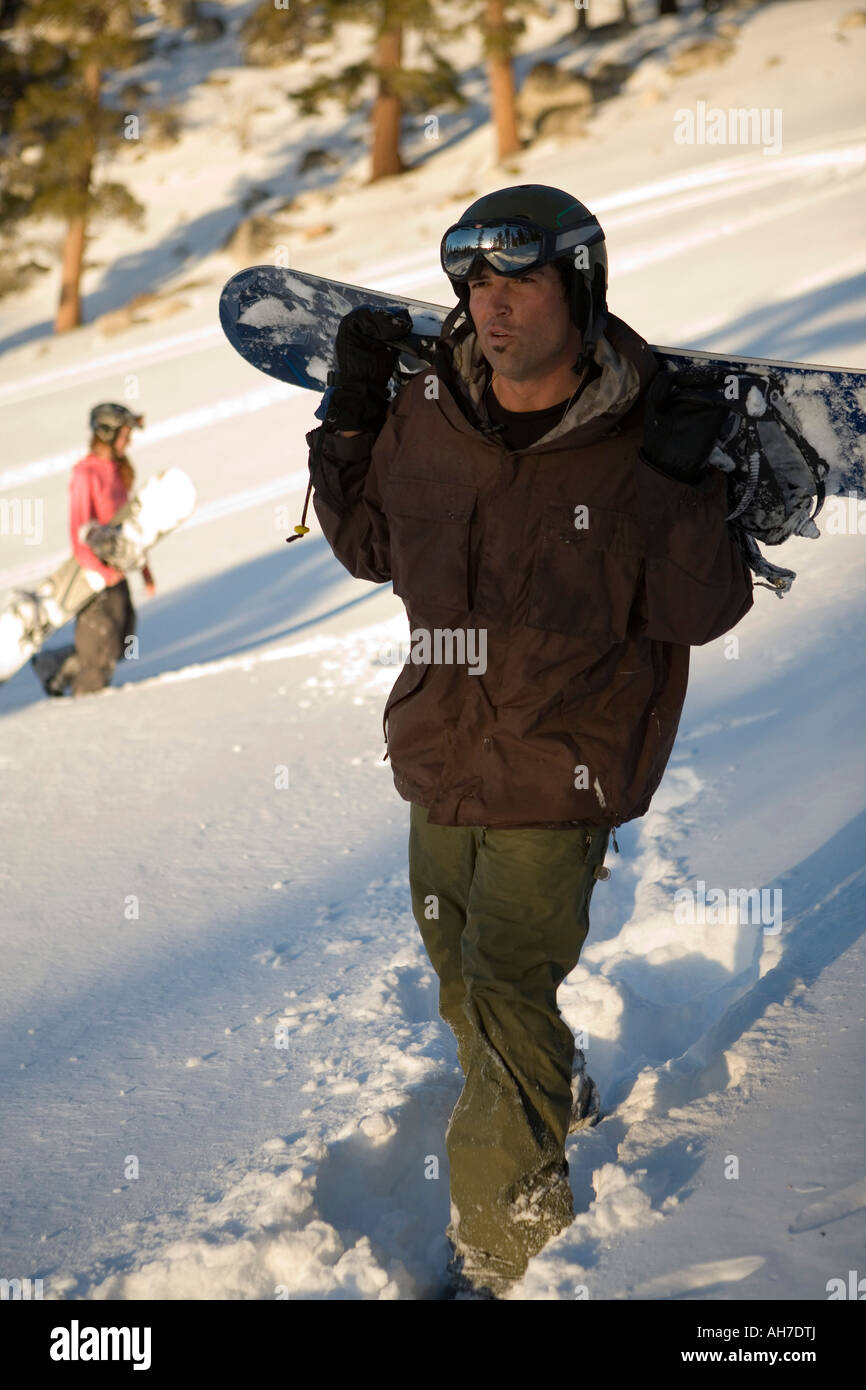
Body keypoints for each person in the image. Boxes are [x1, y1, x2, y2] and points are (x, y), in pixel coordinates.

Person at [305, 184, 754, 1299]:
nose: (490, 306)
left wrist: (682, 491)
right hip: (438, 747)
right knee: (462, 983)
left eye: (518, 280)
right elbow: (369, 544)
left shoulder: (640, 437)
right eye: (475, 283)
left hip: (565, 760)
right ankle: (547, 1087)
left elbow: (702, 608)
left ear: (581, 286)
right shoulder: (434, 414)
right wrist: (351, 417)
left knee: (503, 986)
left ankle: (508, 1246)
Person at [32, 403, 155, 697]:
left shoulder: (115, 471)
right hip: (95, 576)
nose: (129, 440)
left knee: (123, 638)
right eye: (125, 434)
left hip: (117, 571)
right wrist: (102, 572)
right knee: (101, 652)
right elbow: (79, 534)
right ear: (107, 433)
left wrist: (145, 571)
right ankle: (86, 707)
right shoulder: (86, 475)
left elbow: (129, 528)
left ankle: (53, 666)